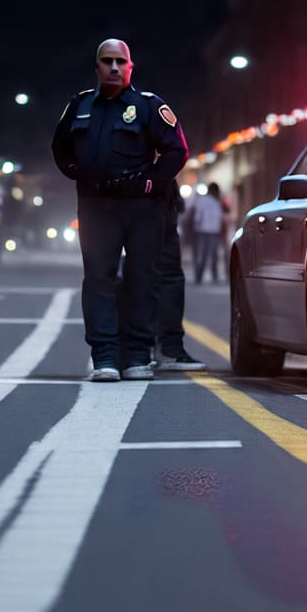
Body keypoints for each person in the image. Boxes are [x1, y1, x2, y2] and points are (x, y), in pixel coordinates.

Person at [51, 37, 188, 382]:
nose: (114, 67)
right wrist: (78, 173)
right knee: (98, 279)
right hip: (97, 206)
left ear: (130, 67)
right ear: (96, 67)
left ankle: (139, 355)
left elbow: (176, 150)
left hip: (142, 208)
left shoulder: (148, 106)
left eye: (120, 62)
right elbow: (60, 146)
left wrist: (153, 183)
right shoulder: (80, 105)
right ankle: (105, 357)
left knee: (143, 279)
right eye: (107, 61)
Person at [151, 178, 206, 370]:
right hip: (154, 196)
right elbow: (176, 150)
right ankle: (165, 348)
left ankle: (136, 350)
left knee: (139, 273)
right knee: (166, 276)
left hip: (150, 195)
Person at [189, 184, 227, 283]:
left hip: (203, 231)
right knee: (211, 255)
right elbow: (220, 217)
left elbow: (197, 216)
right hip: (211, 231)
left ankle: (199, 277)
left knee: (203, 255)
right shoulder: (216, 202)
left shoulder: (203, 201)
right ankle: (212, 277)